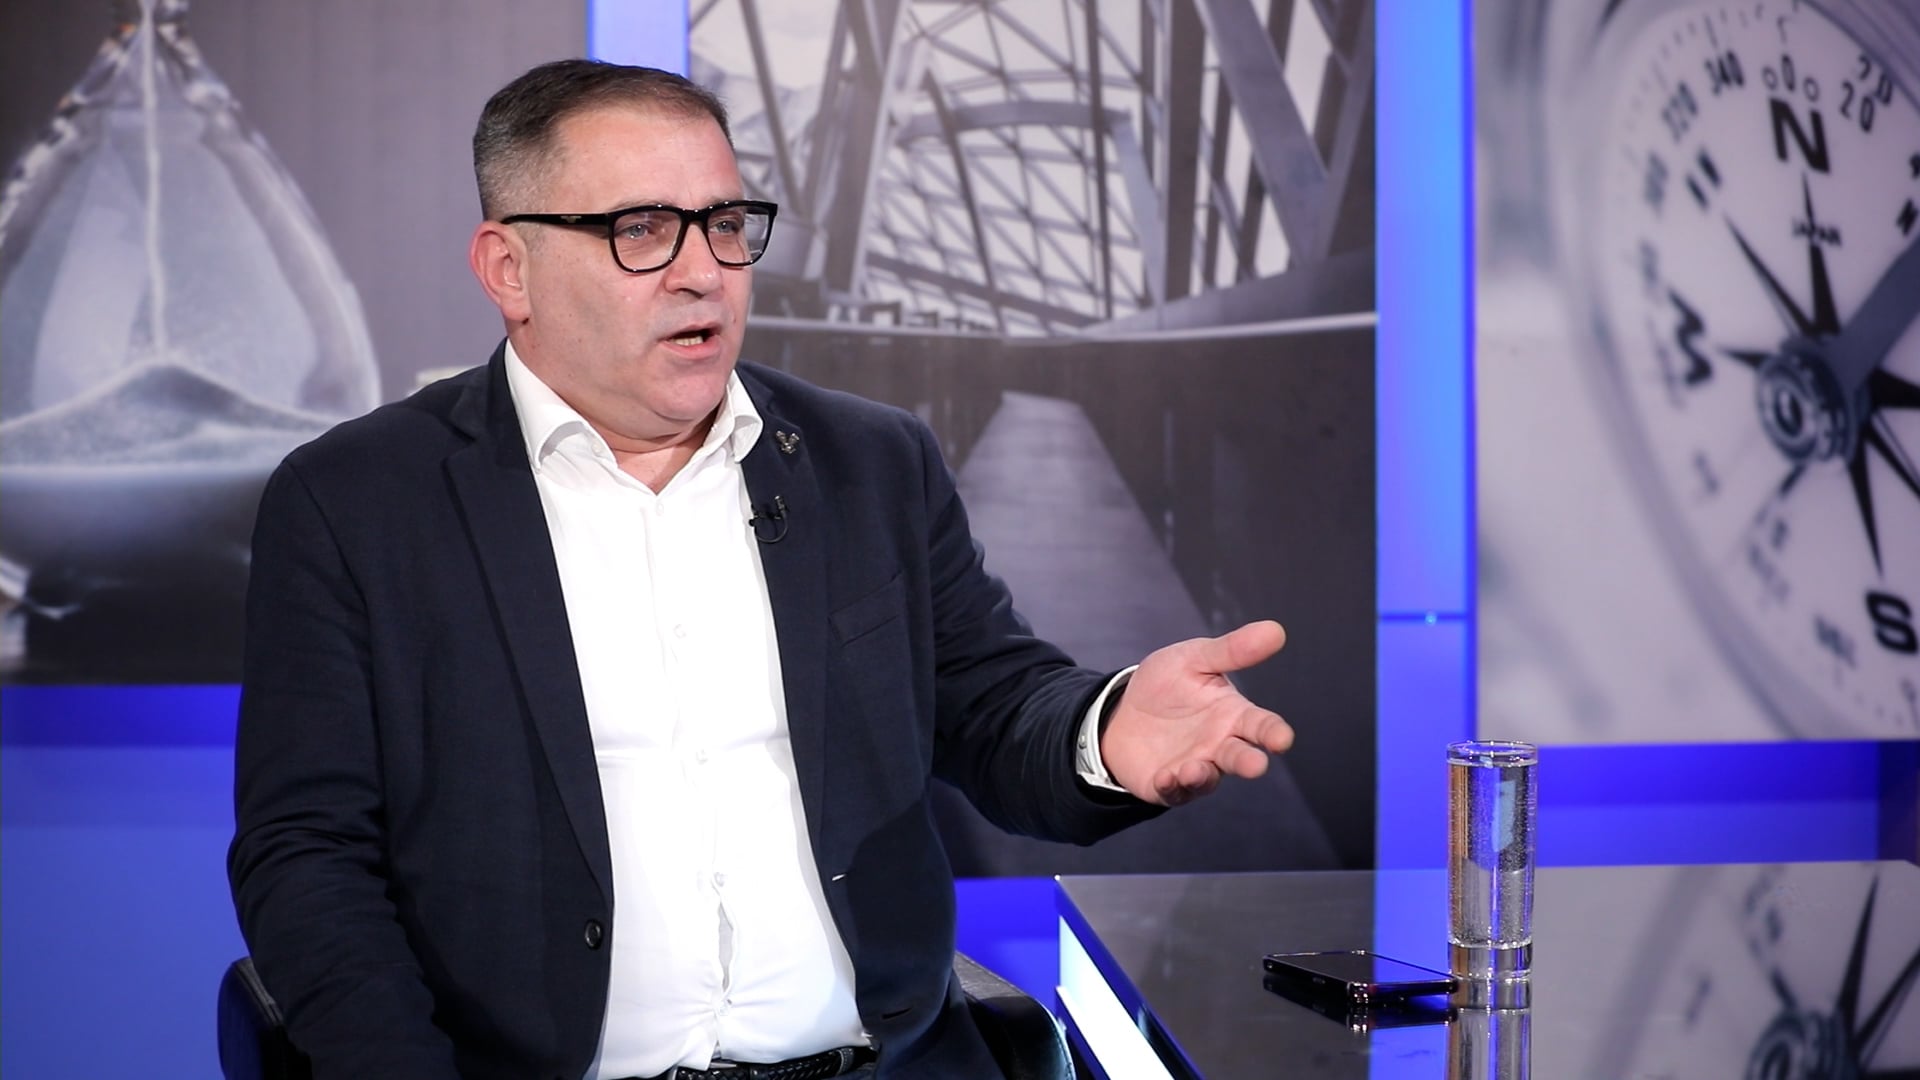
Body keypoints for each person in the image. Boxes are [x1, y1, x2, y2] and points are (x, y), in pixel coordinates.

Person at [228, 58, 1294, 1080]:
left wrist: (1104, 733)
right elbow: (308, 857)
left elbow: (991, 706)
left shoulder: (869, 463)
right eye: (641, 230)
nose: (703, 270)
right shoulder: (357, 503)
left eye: (726, 225)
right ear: (510, 269)